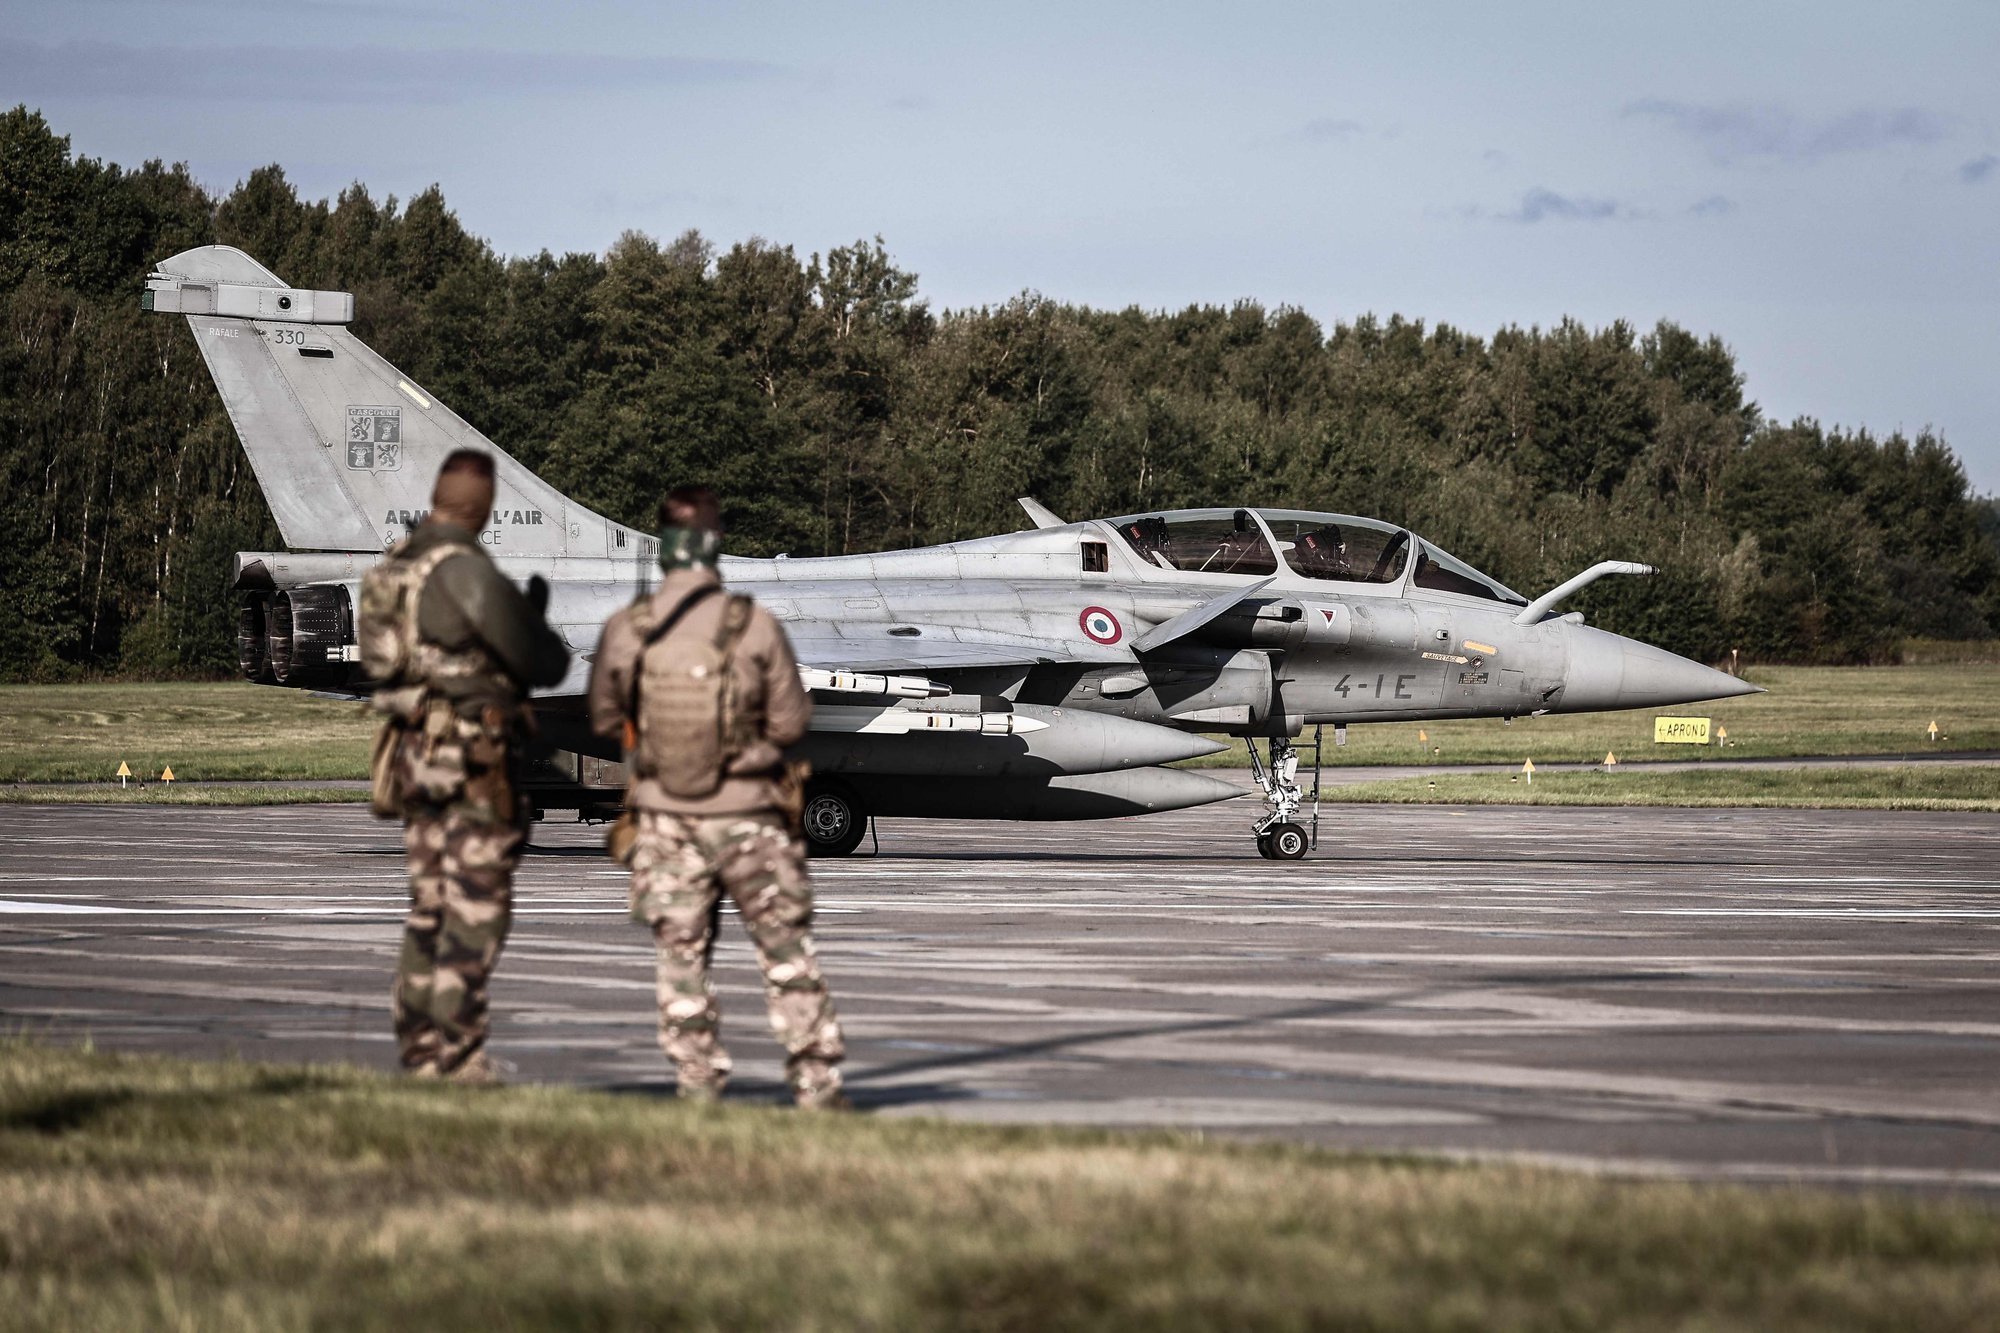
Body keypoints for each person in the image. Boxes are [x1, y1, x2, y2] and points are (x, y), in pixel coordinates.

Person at [587, 485, 847, 1108]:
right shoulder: (751, 624)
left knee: (680, 957)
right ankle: (817, 1086)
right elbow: (791, 722)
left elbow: (601, 716)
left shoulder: (630, 627)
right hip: (749, 817)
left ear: (664, 549)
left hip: (668, 820)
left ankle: (697, 1086)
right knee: (785, 952)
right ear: (714, 545)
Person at [357, 449, 570, 1083]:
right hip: (471, 760)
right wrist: (530, 618)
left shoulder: (394, 567)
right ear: (481, 507)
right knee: (474, 908)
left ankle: (420, 1053)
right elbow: (544, 662)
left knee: (429, 907)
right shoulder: (465, 569)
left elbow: (385, 666)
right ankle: (459, 1056)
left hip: (414, 754)